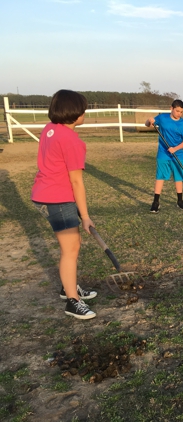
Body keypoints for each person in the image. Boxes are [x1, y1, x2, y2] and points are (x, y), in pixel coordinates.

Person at [31, 89, 97, 320]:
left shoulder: (50, 129)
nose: (84, 113)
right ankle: (72, 301)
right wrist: (85, 215)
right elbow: (76, 181)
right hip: (57, 199)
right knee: (71, 249)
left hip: (44, 194)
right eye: (83, 110)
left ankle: (68, 287)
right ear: (75, 113)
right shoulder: (72, 141)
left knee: (72, 244)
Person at [145, 99, 183, 213]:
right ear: (171, 108)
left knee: (178, 177)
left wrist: (175, 149)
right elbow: (148, 125)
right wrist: (148, 121)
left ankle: (180, 201)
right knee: (160, 176)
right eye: (177, 111)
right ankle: (156, 202)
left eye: (181, 112)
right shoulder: (162, 118)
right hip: (163, 153)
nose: (179, 114)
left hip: (178, 153)